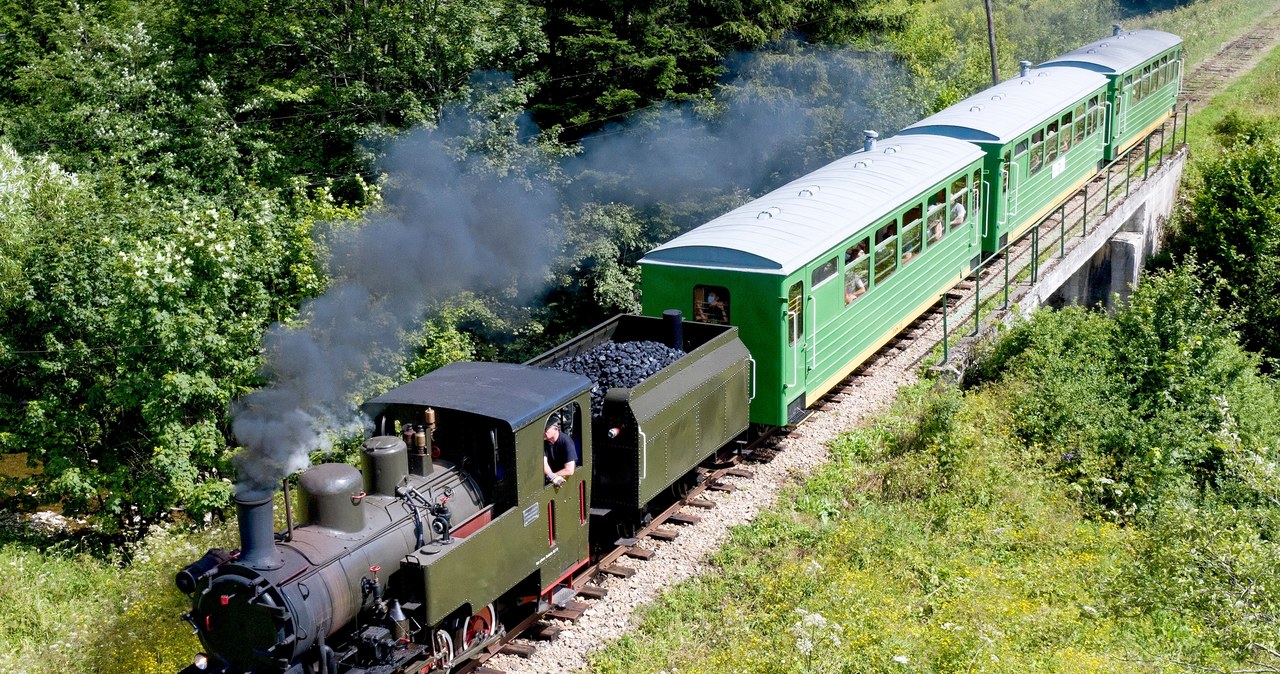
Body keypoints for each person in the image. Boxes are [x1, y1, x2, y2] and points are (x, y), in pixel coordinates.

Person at [543, 420, 577, 487]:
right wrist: (552, 477)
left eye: (546, 430)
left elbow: (569, 470)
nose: (543, 432)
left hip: (565, 479)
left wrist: (553, 476)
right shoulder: (543, 442)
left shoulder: (566, 442)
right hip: (552, 476)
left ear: (555, 429)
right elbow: (544, 463)